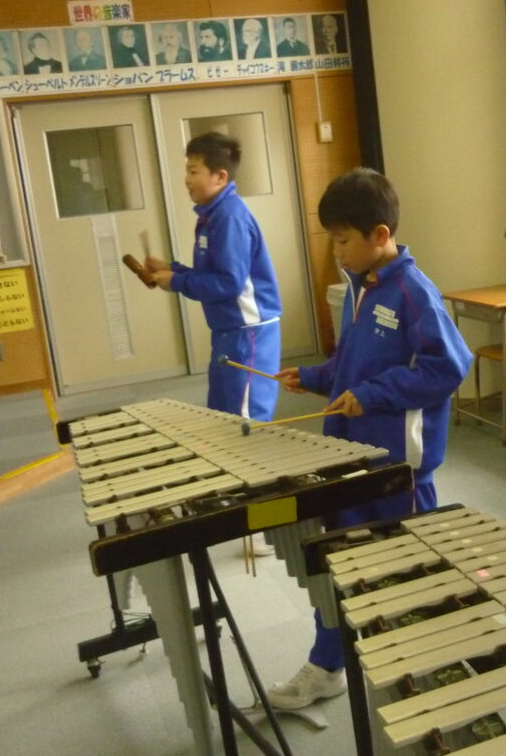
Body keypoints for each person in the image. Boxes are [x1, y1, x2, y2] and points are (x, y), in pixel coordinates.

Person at [267, 168, 472, 710]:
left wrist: (375, 393)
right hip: (350, 460)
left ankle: (430, 672)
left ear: (380, 235)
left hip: (396, 471)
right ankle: (327, 665)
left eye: (342, 241)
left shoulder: (413, 293)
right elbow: (353, 364)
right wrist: (316, 377)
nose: (336, 252)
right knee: (338, 568)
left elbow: (449, 367)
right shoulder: (359, 287)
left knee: (408, 579)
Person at [145, 133, 281, 421]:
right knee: (221, 417)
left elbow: (229, 283)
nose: (186, 179)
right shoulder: (212, 215)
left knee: (247, 421)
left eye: (194, 171)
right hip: (227, 331)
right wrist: (172, 269)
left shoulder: (229, 217)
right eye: (187, 171)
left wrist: (176, 282)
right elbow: (213, 274)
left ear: (220, 177)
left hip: (249, 333)